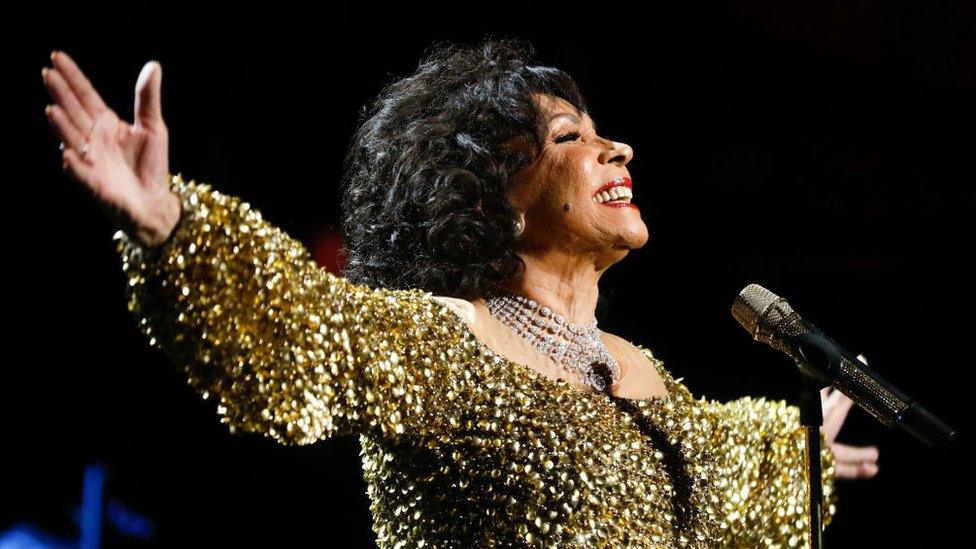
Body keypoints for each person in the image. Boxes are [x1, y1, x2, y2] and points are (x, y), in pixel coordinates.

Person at [42, 36, 880, 547]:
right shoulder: (449, 340)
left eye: (603, 131)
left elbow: (722, 469)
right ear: (492, 200)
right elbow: (297, 333)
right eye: (570, 137)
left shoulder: (642, 374)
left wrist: (798, 463)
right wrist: (170, 223)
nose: (617, 147)